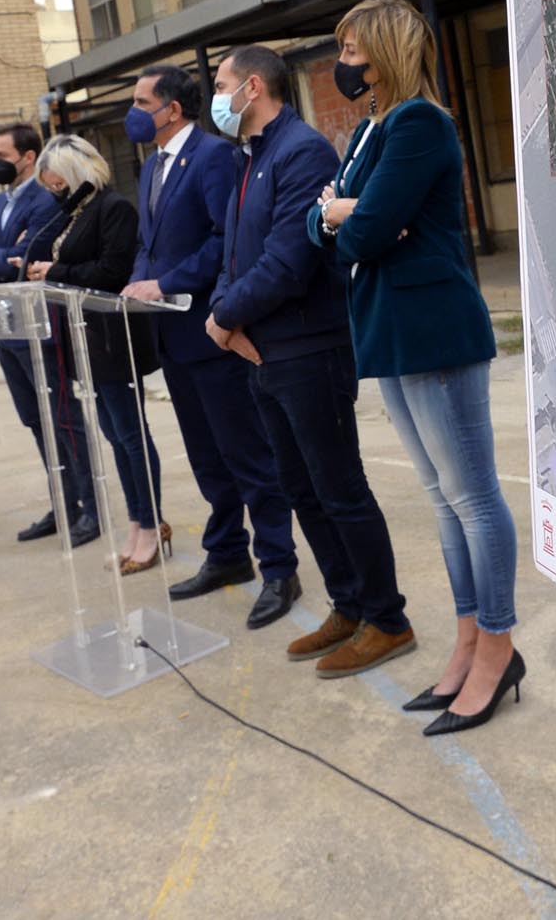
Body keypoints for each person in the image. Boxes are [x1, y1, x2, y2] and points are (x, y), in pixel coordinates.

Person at [311, 0, 519, 736]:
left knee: (472, 497)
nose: (345, 61)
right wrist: (347, 214)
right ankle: (466, 639)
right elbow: (328, 224)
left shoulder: (421, 123)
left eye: (354, 49)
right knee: (440, 497)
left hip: (433, 331)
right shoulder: (370, 127)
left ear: (387, 49)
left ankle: (496, 644)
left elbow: (359, 231)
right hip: (390, 332)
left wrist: (350, 214)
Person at [207, 45, 414, 678]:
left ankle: (387, 618)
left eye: (220, 84)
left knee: (339, 487)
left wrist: (222, 318)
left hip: (308, 349)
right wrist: (221, 313)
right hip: (263, 354)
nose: (213, 98)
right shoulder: (251, 157)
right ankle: (348, 605)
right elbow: (233, 257)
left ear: (253, 88)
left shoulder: (301, 152)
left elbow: (288, 262)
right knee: (301, 488)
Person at [118, 64, 301, 630]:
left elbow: (226, 242)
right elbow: (152, 245)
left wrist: (167, 283)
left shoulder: (214, 157)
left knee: (247, 454)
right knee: (205, 458)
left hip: (212, 333)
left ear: (172, 109)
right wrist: (138, 282)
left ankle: (278, 567)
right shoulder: (151, 168)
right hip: (170, 338)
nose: (134, 111)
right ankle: (227, 556)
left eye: (142, 101)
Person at [19, 133, 167, 572]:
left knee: (131, 436)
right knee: (114, 437)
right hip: (85, 340)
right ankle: (138, 521)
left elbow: (113, 270)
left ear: (79, 175)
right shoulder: (74, 215)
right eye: (50, 187)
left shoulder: (112, 208)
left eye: (59, 184)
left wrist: (56, 270)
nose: (56, 193)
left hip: (112, 337)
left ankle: (152, 523)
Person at [0, 120, 73, 543]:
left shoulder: (45, 200)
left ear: (28, 158)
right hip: (4, 320)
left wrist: (1, 256)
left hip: (36, 319)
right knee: (33, 418)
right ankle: (61, 501)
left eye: (2, 157)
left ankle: (83, 503)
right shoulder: (0, 204)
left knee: (59, 416)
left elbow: (29, 255)